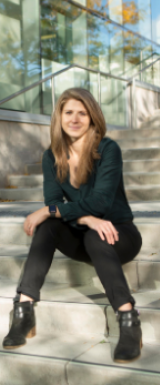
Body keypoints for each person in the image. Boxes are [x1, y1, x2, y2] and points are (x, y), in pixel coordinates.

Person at [3, 88, 143, 363]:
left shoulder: (107, 149)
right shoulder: (51, 157)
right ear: (59, 117)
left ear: (92, 118)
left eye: (83, 112)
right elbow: (56, 204)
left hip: (119, 236)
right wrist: (85, 217)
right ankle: (24, 310)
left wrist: (54, 210)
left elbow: (101, 203)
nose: (75, 118)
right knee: (47, 227)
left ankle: (128, 320)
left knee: (92, 235)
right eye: (69, 112)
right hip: (85, 231)